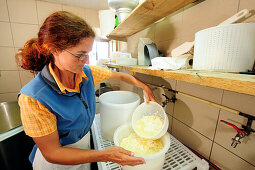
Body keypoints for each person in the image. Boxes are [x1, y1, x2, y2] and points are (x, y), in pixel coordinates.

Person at [15, 11, 156, 170]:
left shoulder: (86, 73)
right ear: (54, 49)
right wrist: (105, 154)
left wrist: (145, 87)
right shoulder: (33, 98)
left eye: (88, 54)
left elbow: (121, 77)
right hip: (56, 164)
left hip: (84, 151)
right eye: (80, 55)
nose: (86, 61)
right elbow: (52, 152)